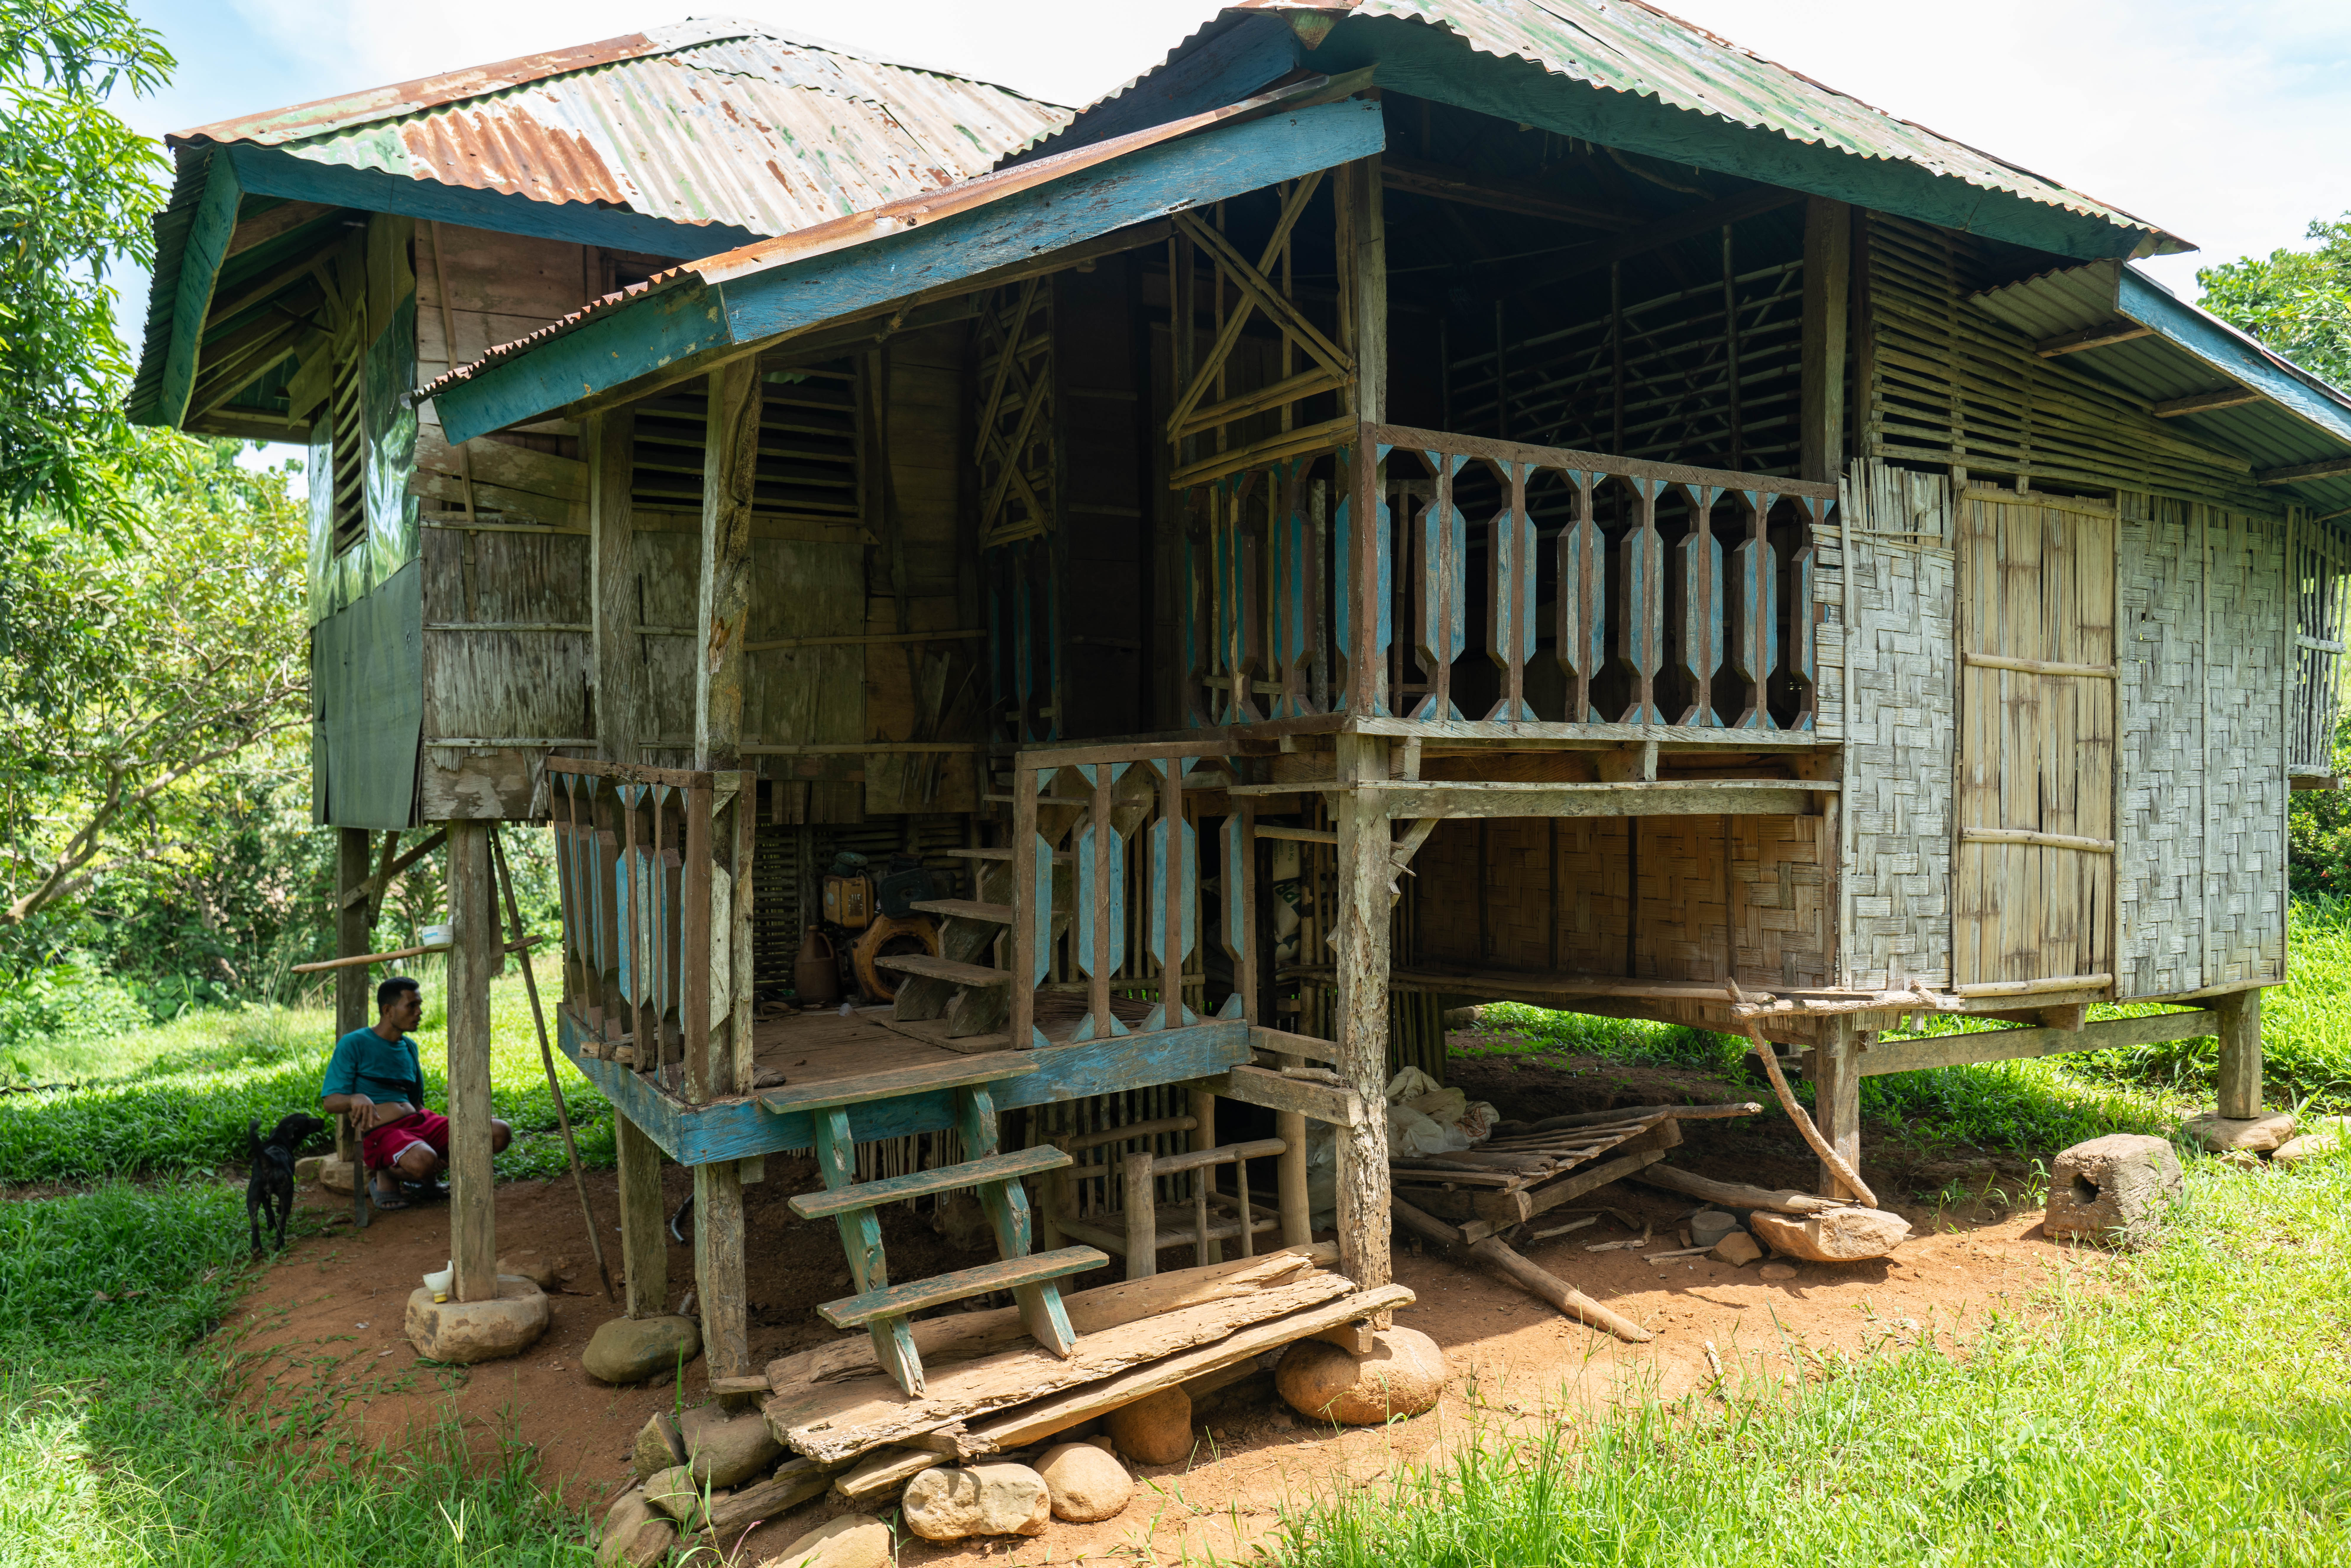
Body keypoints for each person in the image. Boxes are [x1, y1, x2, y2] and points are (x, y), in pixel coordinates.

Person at [321, 975, 509, 1211]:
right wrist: (355, 1098)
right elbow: (330, 1102)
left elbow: (416, 1102)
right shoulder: (354, 1044)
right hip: (383, 1133)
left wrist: (462, 1131)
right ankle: (387, 1175)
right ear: (388, 1010)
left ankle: (427, 1170)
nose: (419, 1012)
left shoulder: (410, 1047)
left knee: (498, 1131)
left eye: (419, 1005)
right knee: (423, 1160)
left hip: (419, 1123)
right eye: (412, 1006)